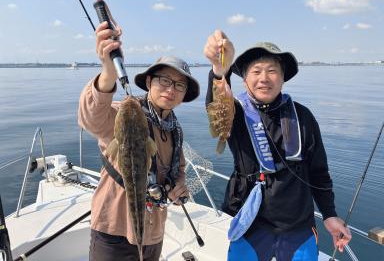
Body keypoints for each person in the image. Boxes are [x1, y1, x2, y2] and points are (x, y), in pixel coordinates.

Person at [204, 30, 351, 260]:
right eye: (256, 71)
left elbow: (319, 172)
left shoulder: (302, 116)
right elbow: (217, 109)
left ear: (283, 78)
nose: (264, 78)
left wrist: (330, 215)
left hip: (298, 226)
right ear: (244, 79)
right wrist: (218, 71)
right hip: (249, 224)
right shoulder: (237, 112)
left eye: (272, 71)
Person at [78, 20, 200, 260]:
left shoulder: (175, 129)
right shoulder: (121, 112)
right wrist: (108, 72)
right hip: (114, 228)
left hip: (153, 231)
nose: (170, 89)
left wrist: (178, 187)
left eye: (179, 85)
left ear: (184, 94)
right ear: (148, 82)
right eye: (164, 80)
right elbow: (92, 118)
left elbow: (179, 169)